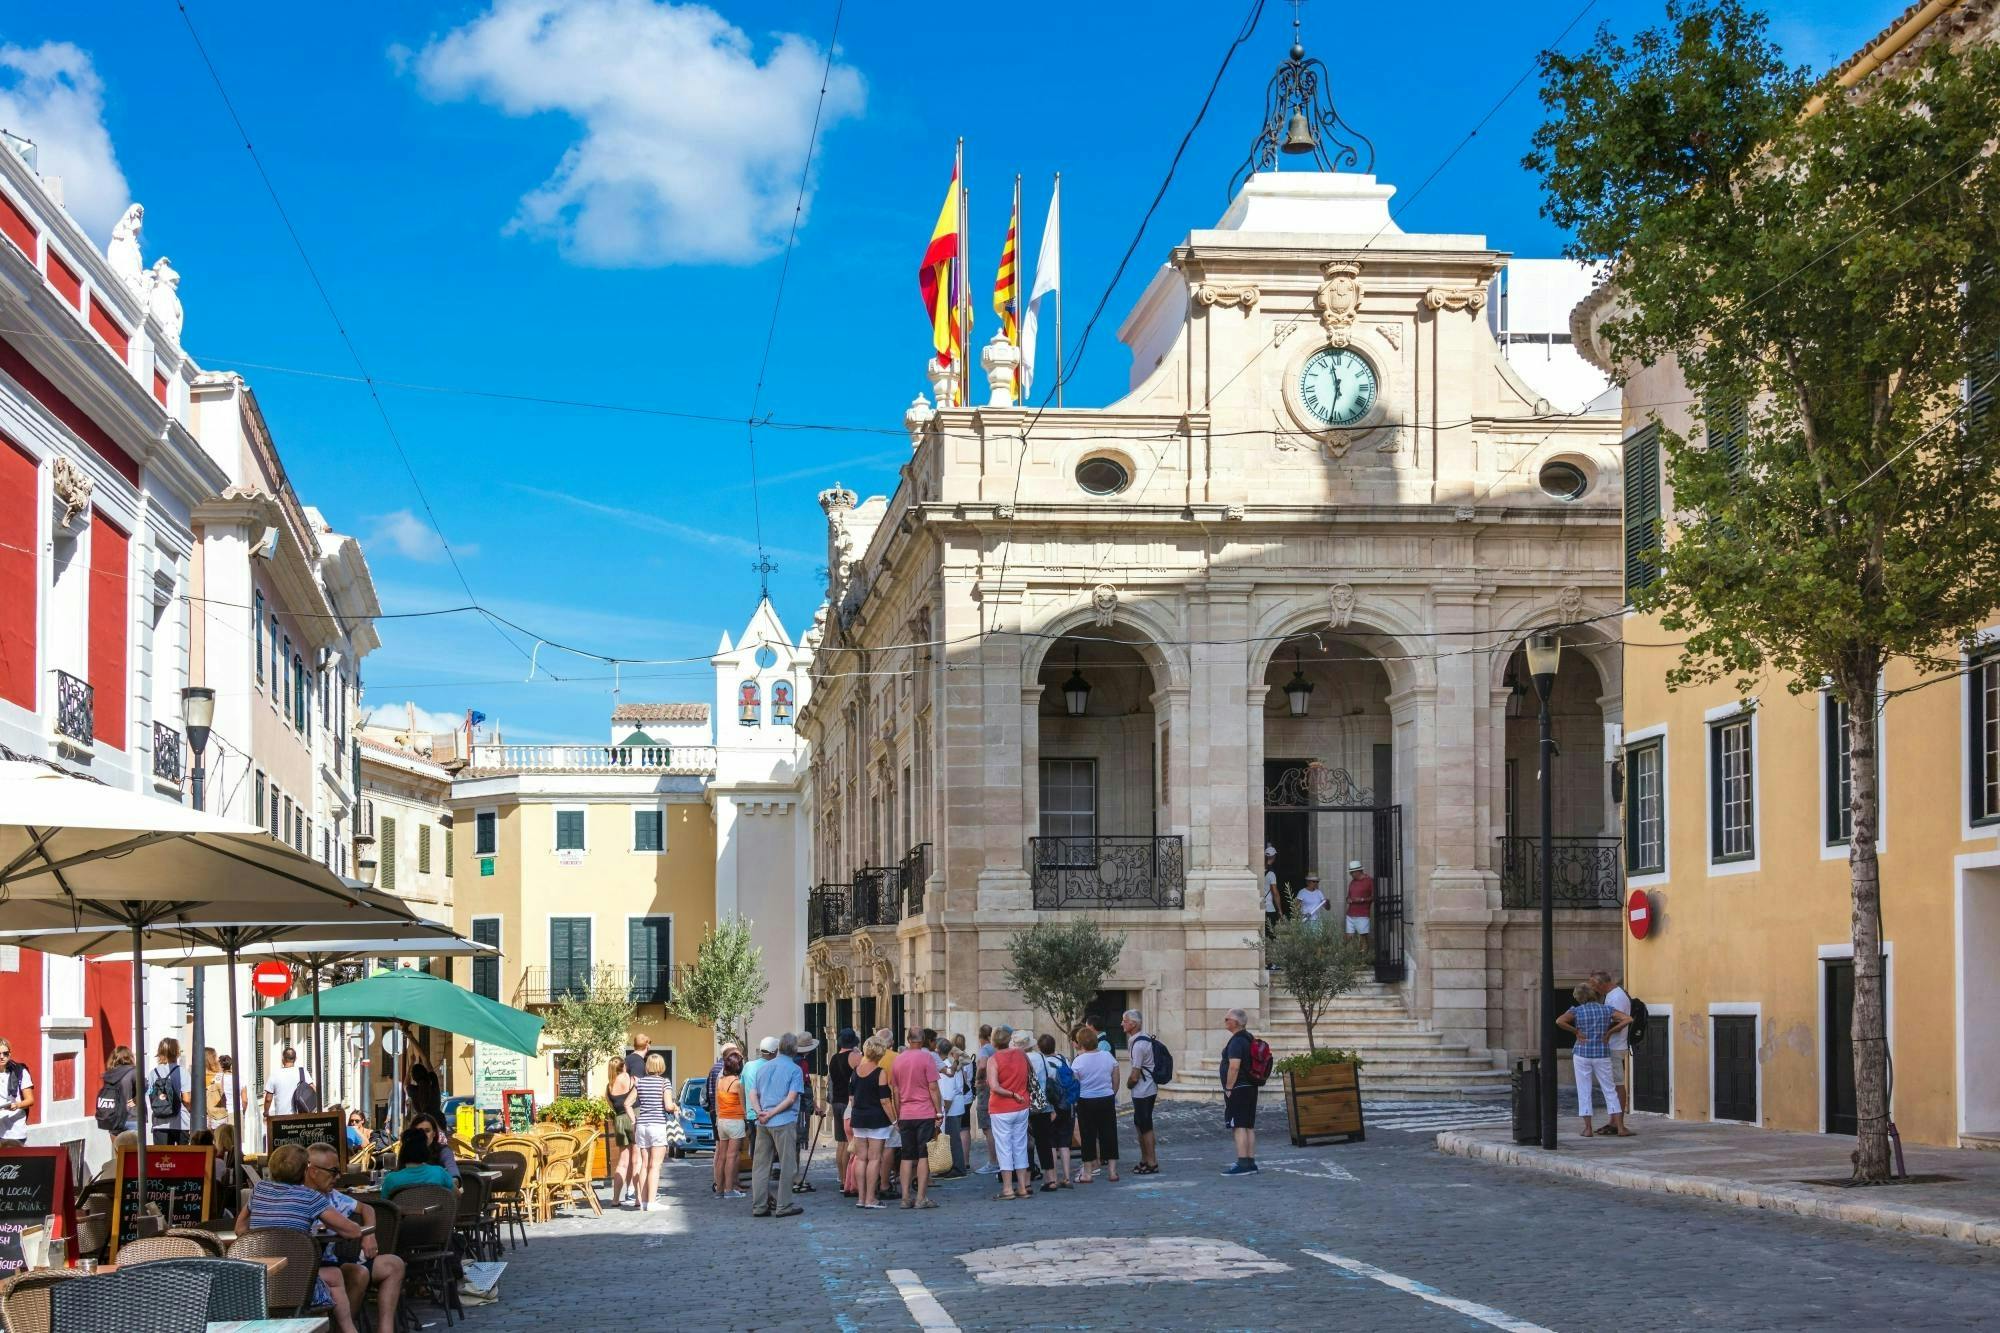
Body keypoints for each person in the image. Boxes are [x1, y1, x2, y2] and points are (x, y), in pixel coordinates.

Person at [235, 1141, 369, 1333]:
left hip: (258, 1282)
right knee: (335, 1275)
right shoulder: (310, 1197)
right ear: (305, 1170)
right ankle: (347, 1330)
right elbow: (352, 1231)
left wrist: (265, 1236)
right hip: (295, 1283)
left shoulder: (259, 1190)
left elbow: (240, 1228)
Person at [307, 1141, 405, 1333]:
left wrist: (369, 1235)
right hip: (308, 1266)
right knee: (357, 1273)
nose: (338, 1176)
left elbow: (366, 1208)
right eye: (333, 1171)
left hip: (332, 1260)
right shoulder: (299, 1197)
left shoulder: (333, 1196)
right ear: (312, 1171)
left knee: (394, 1264)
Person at [1558, 982, 1631, 1139]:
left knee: (1584, 1090)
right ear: (1594, 994)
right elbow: (1627, 1019)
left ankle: (1588, 1128)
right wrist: (1610, 1032)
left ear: (1578, 997)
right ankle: (1620, 1127)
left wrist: (1576, 1031)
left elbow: (1559, 1021)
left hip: (1582, 1053)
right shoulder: (1606, 1009)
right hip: (1602, 1054)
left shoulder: (1576, 1011)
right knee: (1610, 1090)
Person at [747, 1035, 804, 1217]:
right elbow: (791, 1098)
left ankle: (759, 1206)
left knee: (761, 1166)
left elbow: (753, 1093)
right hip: (783, 1121)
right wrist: (771, 1113)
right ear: (795, 1050)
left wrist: (760, 1112)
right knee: (788, 1165)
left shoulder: (763, 1067)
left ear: (779, 1048)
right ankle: (784, 1205)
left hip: (762, 1122)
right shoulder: (795, 1070)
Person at [889, 1028, 943, 1210]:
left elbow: (895, 1091)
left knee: (906, 1156)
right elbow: (933, 1087)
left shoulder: (898, 1059)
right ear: (923, 1040)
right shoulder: (927, 1058)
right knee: (923, 1156)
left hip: (906, 1113)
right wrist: (939, 1112)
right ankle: (920, 1197)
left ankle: (905, 1198)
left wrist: (898, 1114)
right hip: (925, 1112)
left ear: (908, 1039)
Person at [843, 1036, 895, 1208]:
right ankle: (871, 1198)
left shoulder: (856, 1071)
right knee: (874, 1159)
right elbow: (885, 1100)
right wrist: (894, 1120)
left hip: (859, 1118)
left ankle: (861, 1198)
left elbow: (852, 1098)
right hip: (876, 1119)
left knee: (861, 1158)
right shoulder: (880, 1072)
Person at [1070, 1025, 1120, 1183]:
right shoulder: (1107, 1056)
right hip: (1106, 1097)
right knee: (1109, 1134)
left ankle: (1088, 1173)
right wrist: (1112, 1092)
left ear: (1080, 1043)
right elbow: (1116, 1077)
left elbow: (1075, 1084)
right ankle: (1112, 1172)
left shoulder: (1078, 1061)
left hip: (1086, 1100)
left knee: (1088, 1136)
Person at [629, 1052, 679, 1211]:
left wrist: (633, 1120)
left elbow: (627, 1103)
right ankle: (652, 1202)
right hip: (657, 1125)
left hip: (642, 1125)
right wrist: (675, 1107)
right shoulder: (664, 1082)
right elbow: (668, 1106)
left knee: (644, 1164)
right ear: (661, 1066)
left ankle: (643, 1201)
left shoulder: (640, 1083)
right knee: (655, 1166)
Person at [988, 1032, 1034, 1200]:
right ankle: (1022, 1186)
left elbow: (994, 1086)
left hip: (1001, 1108)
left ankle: (1007, 1188)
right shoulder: (1021, 1054)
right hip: (1022, 1106)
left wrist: (1011, 1093)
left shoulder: (993, 1059)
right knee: (1020, 1146)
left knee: (1004, 1148)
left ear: (993, 1043)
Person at [1594, 969, 1635, 1136]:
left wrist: (1606, 1032)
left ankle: (1619, 1123)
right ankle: (1613, 1121)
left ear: (1602, 984)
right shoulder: (1611, 995)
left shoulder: (1617, 997)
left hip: (1615, 1046)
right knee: (1612, 1085)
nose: (1593, 988)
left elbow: (1621, 1021)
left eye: (1594, 985)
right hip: (1612, 1045)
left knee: (1617, 1085)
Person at [1220, 1008, 1260, 1176]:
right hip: (1250, 1087)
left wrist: (1229, 1088)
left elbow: (1234, 1066)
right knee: (1248, 1125)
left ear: (1235, 1022)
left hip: (1239, 1088)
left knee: (1239, 1126)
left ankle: (1243, 1162)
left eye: (1227, 1019)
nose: (1225, 1021)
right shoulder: (1249, 1038)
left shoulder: (1236, 1041)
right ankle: (1250, 1161)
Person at [1032, 1035, 1075, 1191]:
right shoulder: (1064, 1059)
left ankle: (1053, 1178)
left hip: (1051, 1108)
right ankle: (1067, 1177)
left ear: (1039, 1047)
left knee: (1050, 1143)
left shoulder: (1042, 1063)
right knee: (1064, 1144)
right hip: (1066, 1106)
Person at [1122, 1010, 1161, 1175]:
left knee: (1145, 1126)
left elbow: (1135, 1073)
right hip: (1144, 1089)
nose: (1122, 1024)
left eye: (1124, 1021)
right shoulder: (1138, 1040)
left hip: (1144, 1090)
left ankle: (1152, 1162)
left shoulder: (1138, 1045)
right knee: (1140, 1124)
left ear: (1133, 1024)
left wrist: (1129, 1084)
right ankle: (1145, 1159)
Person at [379, 1125, 454, 1199]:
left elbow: (385, 1206)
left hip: (403, 1211)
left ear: (403, 1150)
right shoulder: (440, 1173)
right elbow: (457, 1196)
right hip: (435, 1210)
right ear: (425, 1149)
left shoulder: (391, 1179)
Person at [712, 1048, 748, 1199]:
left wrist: (719, 1117)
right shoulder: (738, 1083)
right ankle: (729, 1189)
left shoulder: (719, 1081)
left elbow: (717, 1104)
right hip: (735, 1120)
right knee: (732, 1156)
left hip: (722, 1121)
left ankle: (719, 1189)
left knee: (721, 1156)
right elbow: (743, 1105)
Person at [829, 1028, 858, 1191]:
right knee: (850, 1143)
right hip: (848, 1102)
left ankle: (841, 1178)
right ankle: (848, 1179)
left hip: (836, 1102)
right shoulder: (854, 1057)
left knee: (840, 1143)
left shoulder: (833, 1058)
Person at [936, 1037, 968, 1179]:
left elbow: (947, 1094)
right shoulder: (950, 1064)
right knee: (951, 1138)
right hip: (956, 1105)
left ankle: (958, 1167)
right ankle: (951, 1166)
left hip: (951, 1108)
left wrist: (943, 1112)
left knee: (953, 1138)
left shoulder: (945, 1065)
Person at [605, 1053, 636, 1205]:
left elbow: (612, 1106)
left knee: (623, 1161)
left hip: (619, 1121)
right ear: (623, 1066)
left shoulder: (609, 1086)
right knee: (636, 1160)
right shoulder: (630, 1079)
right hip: (632, 1118)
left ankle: (615, 1198)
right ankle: (637, 1197)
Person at [148, 1037, 190, 1145]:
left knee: (162, 1159)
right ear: (176, 1052)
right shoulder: (182, 1072)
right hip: (181, 1122)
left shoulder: (153, 1073)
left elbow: (150, 1095)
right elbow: (186, 1099)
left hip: (159, 1123)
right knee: (183, 1159)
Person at [262, 1045, 312, 1125]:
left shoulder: (275, 1074)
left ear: (283, 1060)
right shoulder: (303, 1072)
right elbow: (313, 1090)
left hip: (281, 1118)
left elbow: (268, 1099)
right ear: (295, 1059)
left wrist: (266, 1113)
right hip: (300, 1117)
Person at [973, 1024, 998, 1174]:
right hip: (995, 1087)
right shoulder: (996, 1049)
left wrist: (978, 1079)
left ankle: (993, 1161)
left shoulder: (984, 1049)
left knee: (987, 1128)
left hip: (985, 1089)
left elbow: (982, 1065)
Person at [98, 1045, 139, 1135]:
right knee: (133, 1149)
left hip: (114, 1118)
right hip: (131, 1117)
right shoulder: (134, 1072)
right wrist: (135, 1100)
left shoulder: (109, 1074)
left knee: (117, 1148)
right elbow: (146, 1088)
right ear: (130, 1057)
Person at [0, 1036, 34, 1143]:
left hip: (15, 1131)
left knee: (13, 1160)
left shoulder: (20, 1072)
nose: (2, 1057)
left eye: (5, 1053)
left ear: (10, 1054)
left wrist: (17, 1105)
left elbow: (30, 1100)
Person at [408, 1111, 460, 1179]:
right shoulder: (407, 1151)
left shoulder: (443, 1151)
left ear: (434, 1134)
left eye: (427, 1131)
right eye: (419, 1131)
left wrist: (454, 1180)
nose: (423, 1135)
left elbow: (453, 1171)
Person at [404, 1033, 441, 1119]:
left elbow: (405, 1085)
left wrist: (410, 1065)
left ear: (414, 1077)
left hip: (424, 1123)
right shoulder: (433, 1081)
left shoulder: (413, 1090)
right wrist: (411, 1037)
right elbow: (425, 1058)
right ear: (425, 1071)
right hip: (438, 1122)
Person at [1345, 860, 1374, 936]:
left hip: (1362, 915)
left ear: (1358, 871)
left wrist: (1362, 899)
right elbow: (1348, 896)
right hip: (1350, 914)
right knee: (1348, 937)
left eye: (1352, 872)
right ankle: (1348, 948)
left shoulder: (1369, 881)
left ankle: (1364, 948)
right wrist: (1348, 899)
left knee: (1363, 938)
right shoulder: (1352, 882)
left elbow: (1374, 897)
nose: (1350, 874)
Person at [1262, 845, 1282, 941]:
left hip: (1260, 906)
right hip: (1269, 908)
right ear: (1274, 857)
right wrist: (1280, 910)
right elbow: (1275, 893)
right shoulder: (1271, 874)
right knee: (1271, 934)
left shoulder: (1259, 871)